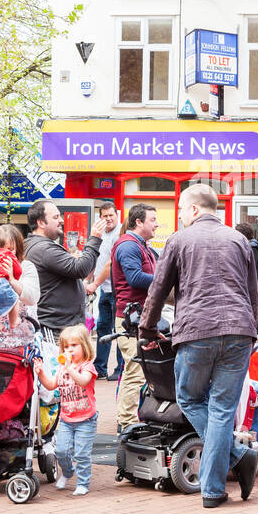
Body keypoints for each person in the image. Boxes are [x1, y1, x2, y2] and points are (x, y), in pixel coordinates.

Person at [140, 184, 258, 509]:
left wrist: (147, 331)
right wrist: (250, 333)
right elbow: (253, 295)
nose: (179, 216)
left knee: (190, 399)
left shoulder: (179, 240)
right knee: (222, 410)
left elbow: (157, 289)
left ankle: (235, 461)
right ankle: (214, 487)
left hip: (196, 331)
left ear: (194, 209)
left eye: (181, 209)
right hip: (238, 332)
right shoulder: (238, 239)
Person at [23, 200, 105, 341]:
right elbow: (80, 268)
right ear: (41, 223)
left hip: (58, 326)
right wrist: (95, 239)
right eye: (55, 217)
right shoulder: (44, 249)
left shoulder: (37, 246)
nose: (61, 220)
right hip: (56, 329)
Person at [32, 324, 98, 497]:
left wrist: (70, 368)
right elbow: (51, 385)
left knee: (82, 454)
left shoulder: (87, 366)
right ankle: (68, 472)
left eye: (74, 345)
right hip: (67, 420)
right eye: (66, 346)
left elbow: (83, 381)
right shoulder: (61, 369)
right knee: (61, 450)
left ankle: (83, 483)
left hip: (86, 419)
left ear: (84, 346)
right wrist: (40, 374)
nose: (69, 350)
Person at [111, 203, 159, 433]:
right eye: (152, 219)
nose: (156, 224)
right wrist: (164, 279)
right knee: (135, 371)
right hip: (130, 320)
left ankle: (131, 418)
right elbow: (135, 278)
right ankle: (127, 423)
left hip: (138, 318)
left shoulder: (140, 246)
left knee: (139, 370)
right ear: (138, 222)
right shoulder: (129, 246)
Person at [85, 202, 124, 381]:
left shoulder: (119, 234)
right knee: (102, 329)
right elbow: (95, 260)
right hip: (104, 290)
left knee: (119, 330)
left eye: (111, 215)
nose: (108, 219)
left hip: (117, 290)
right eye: (104, 216)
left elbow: (110, 264)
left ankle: (120, 369)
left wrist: (93, 285)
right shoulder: (101, 235)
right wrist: (88, 279)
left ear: (117, 215)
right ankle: (99, 368)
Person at [234, 222, 258, 339]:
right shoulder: (256, 247)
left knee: (255, 318)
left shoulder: (248, 248)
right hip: (256, 285)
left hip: (251, 288)